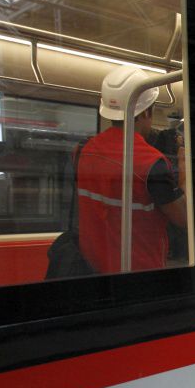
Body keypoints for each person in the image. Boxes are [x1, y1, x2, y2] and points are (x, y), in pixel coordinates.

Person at [77, 65, 187, 273]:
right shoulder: (151, 162)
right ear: (146, 111)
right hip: (140, 273)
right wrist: (184, 172)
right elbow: (184, 219)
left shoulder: (84, 151)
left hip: (93, 269)